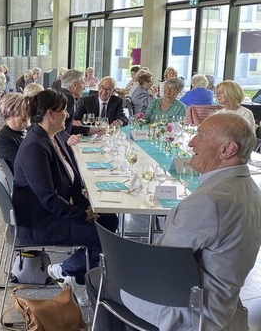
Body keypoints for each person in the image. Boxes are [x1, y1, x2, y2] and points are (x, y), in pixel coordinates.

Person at [87, 112, 261, 331]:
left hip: (193, 308)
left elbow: (161, 262)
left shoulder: (209, 201)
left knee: (96, 277)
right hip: (225, 301)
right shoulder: (251, 189)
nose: (190, 142)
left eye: (201, 135)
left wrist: (122, 255)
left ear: (227, 150)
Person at [12, 90, 118, 288]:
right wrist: (82, 215)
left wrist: (89, 206)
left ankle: (76, 273)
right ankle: (65, 270)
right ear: (50, 114)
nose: (68, 114)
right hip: (42, 220)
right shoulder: (35, 147)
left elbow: (71, 181)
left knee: (110, 218)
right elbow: (48, 198)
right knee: (101, 239)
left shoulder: (56, 137)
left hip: (56, 210)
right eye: (64, 110)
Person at [0, 93, 29, 174]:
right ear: (8, 115)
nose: (26, 114)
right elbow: (19, 169)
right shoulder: (4, 139)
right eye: (20, 112)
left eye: (26, 109)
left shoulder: (28, 130)